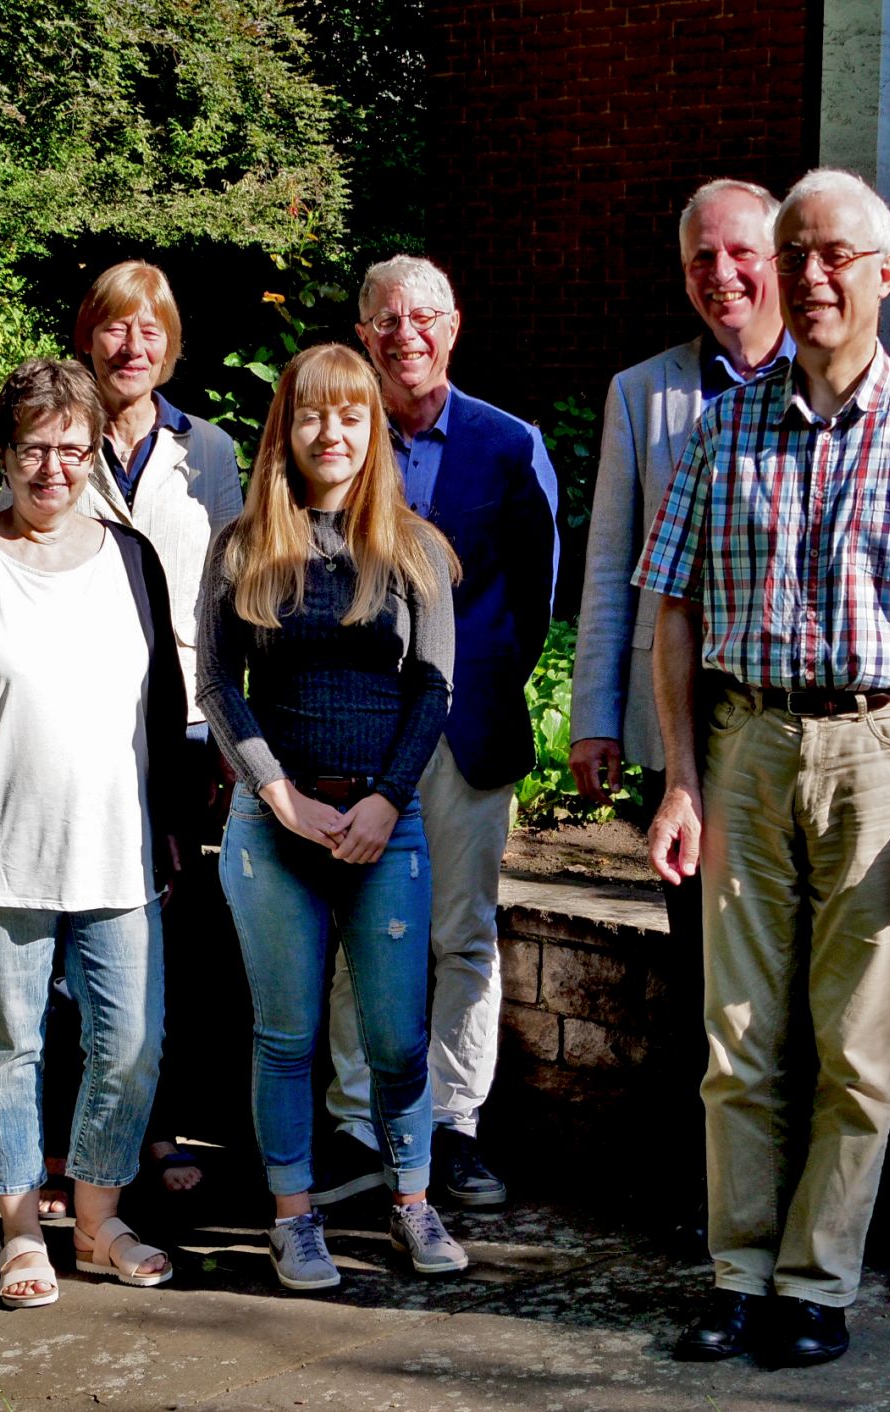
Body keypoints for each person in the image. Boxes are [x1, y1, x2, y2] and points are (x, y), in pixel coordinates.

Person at [633, 169, 890, 1367]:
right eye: (793, 252)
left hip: (885, 745)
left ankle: (816, 1281)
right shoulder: (723, 426)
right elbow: (672, 613)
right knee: (735, 1037)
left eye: (833, 256)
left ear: (883, 273)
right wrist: (680, 779)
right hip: (745, 741)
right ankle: (737, 1271)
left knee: (856, 1042)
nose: (808, 276)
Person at [0, 358, 185, 1310]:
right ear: (2, 455)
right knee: (6, 1049)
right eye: (34, 449)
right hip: (0, 857)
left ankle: (98, 1219)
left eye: (72, 447)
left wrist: (174, 828)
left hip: (120, 855)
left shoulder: (131, 560)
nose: (53, 468)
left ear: (94, 450)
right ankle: (20, 1229)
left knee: (130, 1041)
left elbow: (164, 710)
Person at [201, 342, 465, 1291]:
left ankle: (410, 1202)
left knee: (397, 1036)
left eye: (352, 415)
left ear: (373, 429)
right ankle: (293, 1217)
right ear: (288, 428)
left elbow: (434, 692)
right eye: (313, 414)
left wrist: (386, 803)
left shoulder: (416, 549)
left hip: (381, 828)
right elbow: (218, 689)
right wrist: (278, 794)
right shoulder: (242, 546)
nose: (332, 433)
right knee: (286, 1037)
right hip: (275, 832)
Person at [569, 178, 791, 1242]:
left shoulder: (840, 382)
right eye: (701, 259)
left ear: (783, 256)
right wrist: (594, 714)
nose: (721, 276)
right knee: (701, 969)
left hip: (806, 730)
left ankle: (795, 1189)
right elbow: (612, 563)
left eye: (739, 253)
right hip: (683, 734)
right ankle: (708, 1189)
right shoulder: (643, 392)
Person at [315, 256, 558, 1211]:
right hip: (356, 741)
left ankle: (453, 1124)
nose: (404, 333)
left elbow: (532, 602)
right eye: (385, 318)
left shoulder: (510, 445)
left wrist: (473, 688)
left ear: (453, 326)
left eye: (424, 316)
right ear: (363, 331)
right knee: (355, 935)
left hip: (463, 738)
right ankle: (353, 1123)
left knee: (462, 937)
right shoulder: (337, 439)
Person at [35, 261, 244, 1210]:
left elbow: (242, 593)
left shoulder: (210, 452)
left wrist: (242, 736)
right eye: (116, 328)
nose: (133, 347)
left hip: (188, 726)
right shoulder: (54, 441)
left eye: (151, 331)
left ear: (172, 346)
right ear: (88, 335)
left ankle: (150, 1127)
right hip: (75, 720)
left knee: (168, 940)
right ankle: (52, 1139)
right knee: (69, 939)